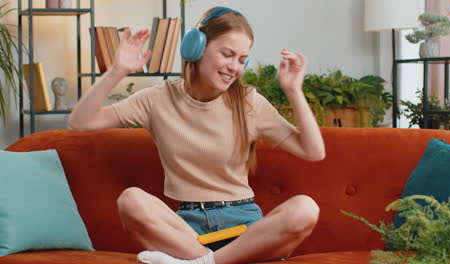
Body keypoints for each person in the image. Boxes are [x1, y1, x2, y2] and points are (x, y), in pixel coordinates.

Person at [68, 6, 325, 264]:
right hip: (187, 232)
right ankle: (210, 260)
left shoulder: (249, 102)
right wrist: (117, 71)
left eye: (241, 59)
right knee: (130, 200)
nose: (234, 67)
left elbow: (313, 152)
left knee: (305, 209)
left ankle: (201, 263)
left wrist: (294, 91)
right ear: (197, 48)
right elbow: (81, 121)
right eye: (227, 54)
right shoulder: (158, 99)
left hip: (245, 228)